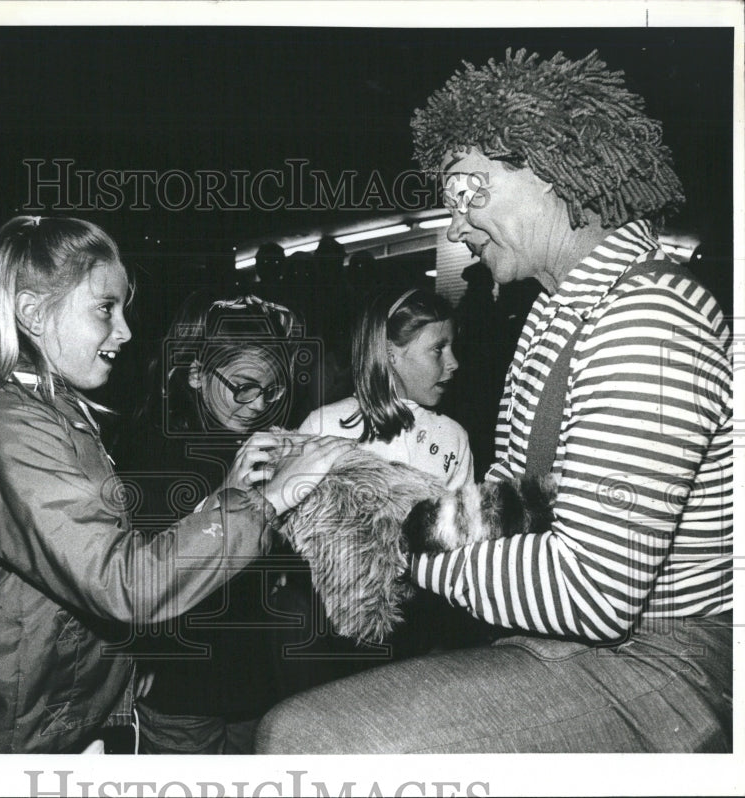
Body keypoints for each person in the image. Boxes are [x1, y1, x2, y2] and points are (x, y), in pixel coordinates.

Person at [256, 48, 732, 753]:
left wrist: (384, 533)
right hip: (589, 643)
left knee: (306, 739)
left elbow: (591, 593)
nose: (454, 227)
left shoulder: (649, 314)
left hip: (672, 656)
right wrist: (370, 490)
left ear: (558, 166)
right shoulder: (560, 312)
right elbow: (518, 506)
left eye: (469, 192)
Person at [0, 216, 350, 754]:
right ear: (34, 314)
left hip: (58, 720)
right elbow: (123, 584)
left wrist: (130, 675)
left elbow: (98, 569)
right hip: (19, 736)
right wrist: (265, 501)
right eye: (105, 308)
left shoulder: (57, 414)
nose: (125, 330)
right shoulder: (12, 430)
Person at [114, 291, 324, 754]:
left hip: (249, 675)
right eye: (244, 387)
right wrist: (226, 494)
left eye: (272, 391)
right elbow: (144, 573)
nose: (258, 404)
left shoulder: (254, 443)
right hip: (180, 685)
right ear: (195, 375)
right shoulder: (154, 452)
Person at [297, 286, 473, 491]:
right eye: (438, 349)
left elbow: (461, 520)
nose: (454, 362)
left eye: (452, 347)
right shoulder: (324, 427)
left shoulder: (454, 437)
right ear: (390, 352)